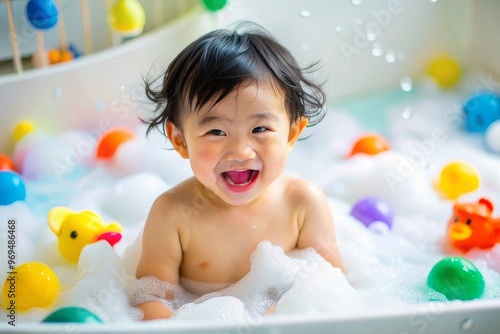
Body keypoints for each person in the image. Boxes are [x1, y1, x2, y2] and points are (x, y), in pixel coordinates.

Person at [133, 23, 343, 320]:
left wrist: (288, 313)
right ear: (181, 141)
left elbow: (332, 286)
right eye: (216, 131)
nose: (241, 152)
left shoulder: (303, 203)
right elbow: (150, 301)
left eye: (260, 128)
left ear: (291, 134)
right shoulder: (172, 214)